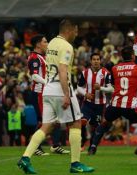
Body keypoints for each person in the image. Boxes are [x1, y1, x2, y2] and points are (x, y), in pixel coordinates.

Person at [17, 19, 94, 174]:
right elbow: (63, 70)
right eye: (76, 31)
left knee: (47, 126)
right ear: (69, 30)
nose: (77, 34)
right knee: (76, 123)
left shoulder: (51, 43)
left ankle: (25, 158)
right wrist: (66, 94)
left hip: (48, 89)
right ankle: (75, 164)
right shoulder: (67, 46)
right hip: (60, 87)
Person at [89, 46, 137, 155]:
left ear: (122, 57)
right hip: (130, 107)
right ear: (133, 56)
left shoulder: (114, 68)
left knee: (105, 123)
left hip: (115, 104)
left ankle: (93, 147)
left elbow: (114, 86)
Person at [27, 34, 70, 156]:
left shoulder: (44, 57)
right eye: (45, 42)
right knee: (45, 121)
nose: (47, 44)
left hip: (47, 92)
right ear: (38, 44)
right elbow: (34, 75)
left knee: (55, 119)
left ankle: (55, 145)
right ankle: (36, 147)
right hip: (39, 92)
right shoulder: (35, 58)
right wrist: (48, 82)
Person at [77, 53, 113, 153]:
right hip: (87, 103)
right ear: (91, 61)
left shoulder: (106, 73)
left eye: (98, 59)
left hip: (100, 105)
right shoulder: (85, 73)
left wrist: (100, 88)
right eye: (94, 59)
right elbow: (79, 87)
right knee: (82, 122)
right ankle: (82, 142)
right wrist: (85, 94)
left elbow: (111, 89)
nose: (96, 61)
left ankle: (92, 147)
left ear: (100, 61)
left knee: (96, 127)